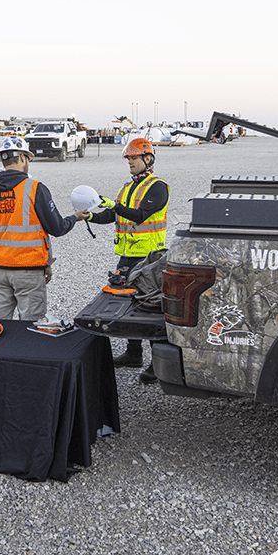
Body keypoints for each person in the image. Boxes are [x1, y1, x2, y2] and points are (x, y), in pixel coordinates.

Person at [0, 136, 90, 320]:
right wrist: (74, 218)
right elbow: (57, 228)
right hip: (29, 271)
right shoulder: (35, 189)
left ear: (3, 160)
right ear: (22, 158)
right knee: (32, 331)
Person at [84, 137, 170, 384]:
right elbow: (113, 214)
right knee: (128, 304)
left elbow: (140, 215)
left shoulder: (158, 187)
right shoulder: (127, 187)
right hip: (127, 256)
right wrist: (91, 216)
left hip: (149, 259)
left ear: (148, 159)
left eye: (133, 158)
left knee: (151, 309)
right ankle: (134, 354)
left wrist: (114, 205)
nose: (130, 162)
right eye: (128, 158)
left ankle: (158, 364)